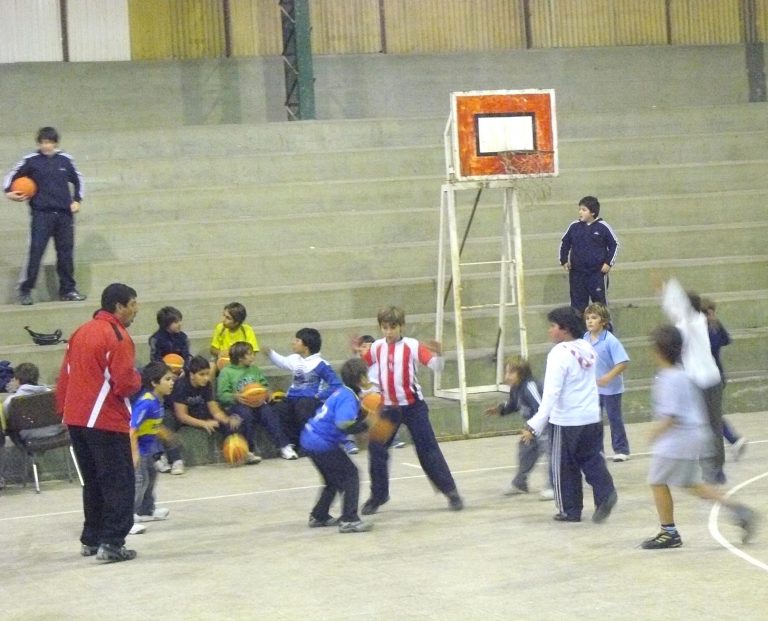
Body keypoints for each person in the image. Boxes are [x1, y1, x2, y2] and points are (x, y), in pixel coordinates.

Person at [640, 325, 756, 549]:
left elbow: (671, 417)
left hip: (678, 440)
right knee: (691, 484)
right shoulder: (681, 374)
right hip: (692, 437)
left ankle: (668, 532)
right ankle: (739, 510)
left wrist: (654, 433)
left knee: (657, 481)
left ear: (658, 351)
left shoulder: (669, 378)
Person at [57, 283, 141, 562]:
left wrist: (64, 413)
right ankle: (113, 544)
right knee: (119, 482)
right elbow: (125, 384)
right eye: (133, 304)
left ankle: (91, 539)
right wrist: (141, 379)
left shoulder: (80, 332)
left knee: (92, 482)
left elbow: (65, 377)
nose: (135, 310)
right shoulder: (117, 336)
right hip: (105, 420)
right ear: (119, 306)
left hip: (76, 419)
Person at [357, 306, 463, 514]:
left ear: (402, 326)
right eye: (385, 327)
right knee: (377, 449)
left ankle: (450, 492)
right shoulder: (377, 347)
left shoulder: (412, 346)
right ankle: (378, 496)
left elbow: (436, 366)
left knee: (428, 450)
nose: (389, 332)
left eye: (393, 327)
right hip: (388, 408)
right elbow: (362, 366)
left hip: (413, 407)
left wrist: (439, 353)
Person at [521, 306, 617, 523]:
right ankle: (606, 494)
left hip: (566, 420)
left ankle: (570, 510)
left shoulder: (558, 354)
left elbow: (551, 393)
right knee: (592, 460)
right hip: (591, 416)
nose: (549, 330)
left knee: (563, 467)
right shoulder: (586, 347)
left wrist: (534, 425)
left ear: (564, 329)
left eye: (553, 326)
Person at [3, 126, 86, 306]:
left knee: (65, 254)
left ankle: (68, 290)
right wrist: (9, 192)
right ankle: (25, 290)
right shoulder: (31, 161)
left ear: (55, 143)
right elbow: (10, 178)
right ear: (39, 143)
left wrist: (77, 199)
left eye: (49, 142)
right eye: (42, 142)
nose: (45, 146)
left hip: (64, 215)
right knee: (36, 252)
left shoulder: (65, 160)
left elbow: (79, 180)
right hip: (42, 214)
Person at [661, 279, 726, 484]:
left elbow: (678, 306)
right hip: (692, 382)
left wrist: (670, 285)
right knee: (696, 426)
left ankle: (715, 469)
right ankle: (703, 465)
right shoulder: (681, 323)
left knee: (712, 425)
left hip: (708, 381)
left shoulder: (697, 320)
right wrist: (663, 291)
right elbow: (671, 308)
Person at [300, 358, 373, 534]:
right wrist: (366, 425)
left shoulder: (344, 392)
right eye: (367, 374)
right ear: (361, 378)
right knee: (351, 475)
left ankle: (319, 515)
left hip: (309, 437)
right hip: (321, 443)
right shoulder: (348, 397)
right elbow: (343, 423)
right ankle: (349, 520)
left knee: (332, 480)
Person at [266, 328, 342, 458]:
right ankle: (291, 443)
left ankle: (308, 444)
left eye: (297, 340)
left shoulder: (320, 364)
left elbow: (336, 385)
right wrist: (269, 353)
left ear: (306, 346)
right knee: (279, 408)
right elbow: (282, 362)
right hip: (293, 398)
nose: (293, 343)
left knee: (303, 406)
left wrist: (319, 396)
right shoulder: (295, 359)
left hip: (310, 401)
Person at [484, 356, 552, 499]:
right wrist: (500, 409)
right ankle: (520, 483)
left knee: (550, 454)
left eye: (511, 373)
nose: (507, 376)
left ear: (522, 373)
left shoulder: (530, 387)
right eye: (506, 372)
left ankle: (553, 486)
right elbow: (514, 404)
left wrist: (532, 430)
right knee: (525, 449)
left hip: (547, 426)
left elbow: (542, 409)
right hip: (533, 427)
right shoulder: (516, 388)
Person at [217, 341, 295, 463]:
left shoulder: (254, 369)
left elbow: (263, 385)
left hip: (257, 404)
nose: (253, 356)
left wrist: (266, 393)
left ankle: (284, 446)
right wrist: (235, 396)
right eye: (250, 354)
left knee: (269, 412)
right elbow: (221, 395)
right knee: (245, 414)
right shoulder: (226, 372)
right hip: (237, 406)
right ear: (240, 357)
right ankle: (249, 451)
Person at [164, 355, 243, 474]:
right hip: (177, 414)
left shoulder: (207, 384)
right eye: (202, 374)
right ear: (191, 375)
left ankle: (237, 451)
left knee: (227, 417)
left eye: (207, 374)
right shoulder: (181, 386)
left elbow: (214, 410)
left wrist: (227, 419)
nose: (206, 378)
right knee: (167, 421)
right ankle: (176, 460)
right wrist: (203, 423)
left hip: (198, 410)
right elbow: (182, 416)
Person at [583, 303, 631, 462]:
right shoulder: (585, 338)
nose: (590, 321)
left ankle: (621, 449)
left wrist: (608, 377)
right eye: (588, 318)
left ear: (603, 321)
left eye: (594, 318)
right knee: (594, 420)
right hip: (593, 389)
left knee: (614, 418)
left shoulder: (611, 341)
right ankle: (598, 451)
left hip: (612, 389)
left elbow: (622, 363)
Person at [701, 297, 747, 460]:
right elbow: (726, 340)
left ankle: (733, 439)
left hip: (713, 378)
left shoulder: (709, 329)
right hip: (711, 377)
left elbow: (719, 343)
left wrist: (714, 324)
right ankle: (731, 441)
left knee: (710, 414)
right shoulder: (711, 327)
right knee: (707, 414)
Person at [131, 361, 175, 527]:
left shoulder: (158, 401)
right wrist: (135, 454)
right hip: (138, 449)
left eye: (172, 379)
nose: (172, 382)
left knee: (152, 475)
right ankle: (128, 517)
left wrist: (164, 433)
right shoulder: (146, 402)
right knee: (140, 480)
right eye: (167, 379)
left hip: (147, 449)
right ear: (154, 383)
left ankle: (146, 509)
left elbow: (151, 425)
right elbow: (132, 429)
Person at [558, 196, 619, 315]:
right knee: (577, 307)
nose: (580, 212)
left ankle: (605, 331)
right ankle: (580, 332)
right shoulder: (574, 226)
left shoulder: (603, 227)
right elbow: (565, 243)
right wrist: (564, 260)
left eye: (584, 209)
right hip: (577, 274)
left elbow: (614, 244)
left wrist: (608, 263)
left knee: (600, 305)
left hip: (596, 274)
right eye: (579, 209)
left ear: (593, 212)